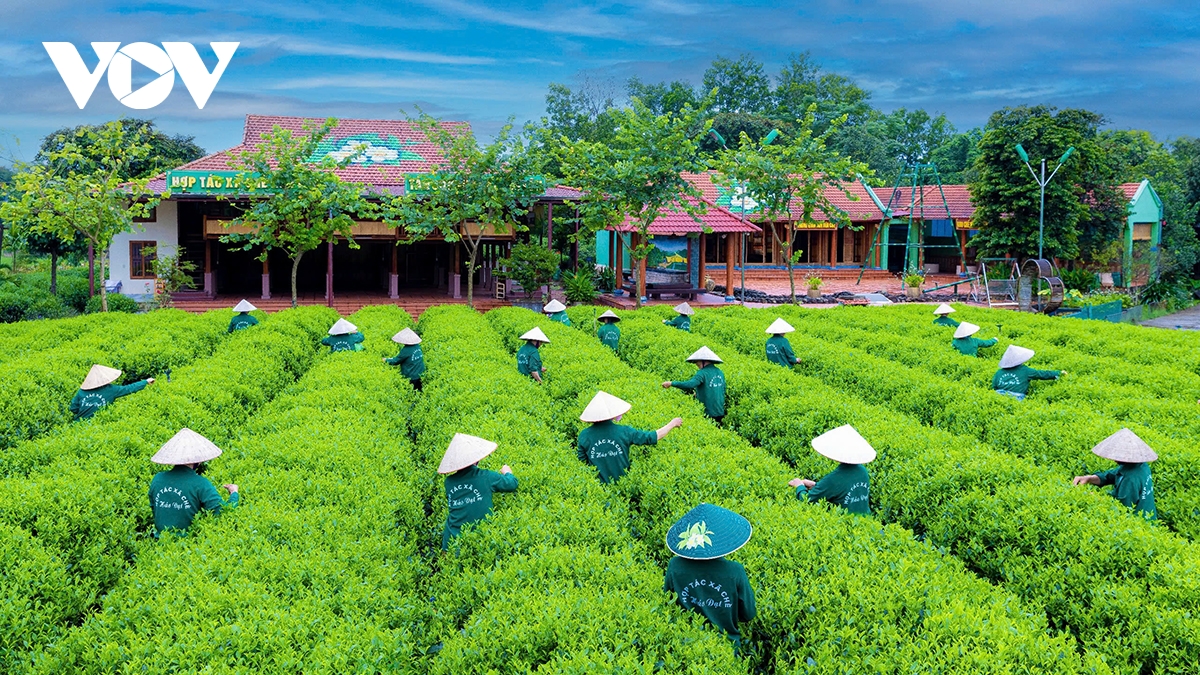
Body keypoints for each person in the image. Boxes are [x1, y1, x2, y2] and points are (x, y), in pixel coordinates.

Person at [663, 502, 756, 650]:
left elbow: (668, 602)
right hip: (728, 647)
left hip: (686, 645)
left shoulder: (674, 566)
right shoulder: (735, 571)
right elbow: (748, 613)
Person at [148, 428, 239, 537]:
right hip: (188, 547)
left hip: (158, 544)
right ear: (198, 460)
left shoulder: (157, 479)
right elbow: (223, 512)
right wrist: (234, 494)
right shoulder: (201, 484)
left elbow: (155, 509)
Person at [577, 390, 682, 483]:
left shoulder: (584, 435)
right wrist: (672, 424)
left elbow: (582, 463)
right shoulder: (624, 431)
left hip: (598, 491)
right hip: (623, 487)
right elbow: (652, 437)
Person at [439, 433, 517, 549]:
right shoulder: (485, 477)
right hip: (479, 540)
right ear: (476, 460)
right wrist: (507, 472)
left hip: (451, 541)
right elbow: (512, 484)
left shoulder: (449, 482)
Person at [788, 424, 873, 515]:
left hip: (848, 526)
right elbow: (843, 491)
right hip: (867, 524)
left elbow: (806, 500)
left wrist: (799, 486)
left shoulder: (834, 479)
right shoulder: (862, 471)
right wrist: (816, 486)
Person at [1072, 428, 1156, 519]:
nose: (1115, 459)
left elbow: (1121, 508)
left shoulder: (1130, 478)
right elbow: (1110, 476)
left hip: (1140, 523)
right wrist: (1088, 478)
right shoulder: (1140, 465)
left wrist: (1095, 497)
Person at [662, 346, 726, 424]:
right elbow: (720, 389)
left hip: (708, 413)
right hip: (720, 411)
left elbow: (690, 384)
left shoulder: (702, 373)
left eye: (697, 362)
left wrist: (672, 383)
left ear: (703, 361)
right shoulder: (720, 372)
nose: (696, 364)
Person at [69, 364, 154, 421]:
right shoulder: (111, 389)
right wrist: (145, 382)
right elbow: (129, 389)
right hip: (98, 424)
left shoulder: (82, 391)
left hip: (78, 423)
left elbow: (73, 408)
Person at [992, 345, 1064, 400]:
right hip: (1017, 397)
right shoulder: (1025, 370)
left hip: (998, 395)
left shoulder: (999, 372)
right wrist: (1058, 373)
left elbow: (995, 386)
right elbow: (1041, 374)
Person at [383, 327, 425, 391]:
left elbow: (396, 361)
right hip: (420, 374)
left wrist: (386, 360)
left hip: (411, 376)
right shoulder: (417, 346)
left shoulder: (406, 349)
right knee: (419, 392)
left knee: (411, 393)